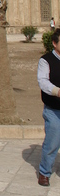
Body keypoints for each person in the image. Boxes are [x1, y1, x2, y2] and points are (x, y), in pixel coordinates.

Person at [37, 27, 60, 186]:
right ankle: (44, 172)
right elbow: (43, 81)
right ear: (54, 43)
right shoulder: (45, 60)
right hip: (53, 109)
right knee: (52, 141)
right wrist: (57, 91)